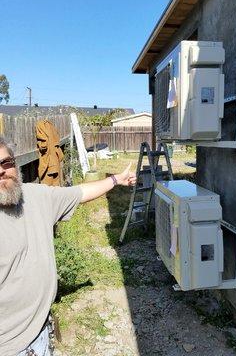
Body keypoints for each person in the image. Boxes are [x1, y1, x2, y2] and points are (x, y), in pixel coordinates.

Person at [0, 137, 136, 356]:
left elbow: (79, 193)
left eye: (5, 163)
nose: (1, 171)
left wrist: (115, 179)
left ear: (14, 164)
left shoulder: (35, 196)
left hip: (41, 332)